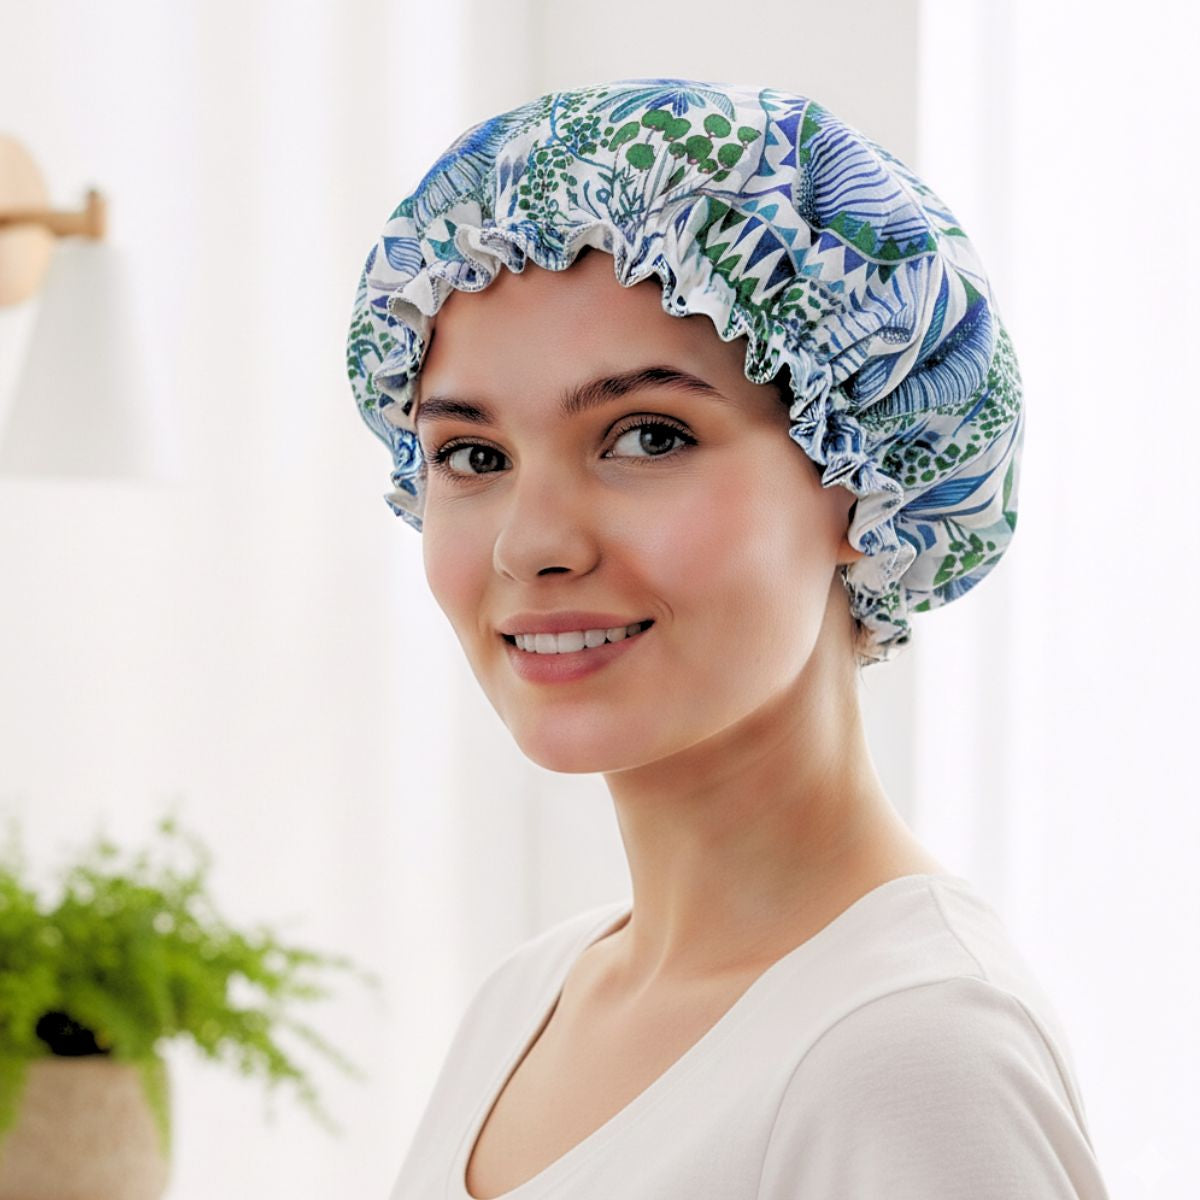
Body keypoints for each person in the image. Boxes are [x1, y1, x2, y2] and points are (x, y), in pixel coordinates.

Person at [346, 79, 1110, 1199]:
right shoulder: (531, 998)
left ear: (862, 478)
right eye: (472, 454)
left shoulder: (911, 1054)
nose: (530, 543)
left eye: (647, 436)